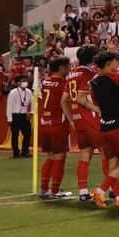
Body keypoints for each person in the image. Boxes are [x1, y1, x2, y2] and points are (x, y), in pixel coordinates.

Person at [85, 51, 119, 205]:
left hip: (104, 126)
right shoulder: (114, 78)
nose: (117, 64)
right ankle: (100, 190)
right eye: (115, 62)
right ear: (107, 65)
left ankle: (118, 196)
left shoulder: (94, 81)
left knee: (112, 161)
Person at [65, 45, 102, 200]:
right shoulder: (88, 73)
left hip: (78, 119)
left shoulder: (71, 75)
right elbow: (82, 98)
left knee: (85, 155)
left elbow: (64, 100)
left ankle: (82, 191)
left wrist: (71, 119)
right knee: (108, 153)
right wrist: (98, 110)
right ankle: (114, 189)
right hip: (90, 117)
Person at [38, 57, 74, 199]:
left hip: (45, 122)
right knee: (60, 156)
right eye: (68, 66)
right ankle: (55, 190)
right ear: (61, 68)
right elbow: (65, 101)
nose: (69, 69)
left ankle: (43, 188)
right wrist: (72, 120)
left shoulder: (45, 82)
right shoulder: (63, 84)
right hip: (58, 123)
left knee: (50, 156)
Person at [6, 75, 33, 159]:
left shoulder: (29, 92)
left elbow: (33, 103)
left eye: (26, 80)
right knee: (15, 135)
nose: (25, 82)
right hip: (15, 115)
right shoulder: (13, 92)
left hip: (25, 115)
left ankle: (25, 151)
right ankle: (16, 152)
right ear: (18, 83)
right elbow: (9, 106)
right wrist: (9, 118)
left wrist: (31, 113)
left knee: (28, 133)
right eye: (23, 81)